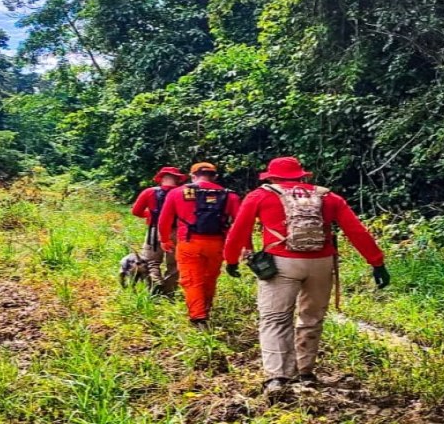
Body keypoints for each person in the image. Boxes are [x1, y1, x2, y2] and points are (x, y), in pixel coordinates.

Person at [223, 156, 389, 397]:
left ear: (271, 177)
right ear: (302, 175)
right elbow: (356, 231)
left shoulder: (260, 195)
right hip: (321, 264)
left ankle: (278, 378)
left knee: (275, 319)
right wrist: (377, 262)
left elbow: (239, 230)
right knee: (311, 318)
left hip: (281, 263)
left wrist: (230, 259)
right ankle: (305, 373)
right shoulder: (328, 197)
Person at [158, 162, 243, 328]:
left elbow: (164, 220)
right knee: (209, 278)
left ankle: (199, 317)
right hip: (217, 244)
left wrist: (164, 239)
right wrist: (243, 246)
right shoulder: (230, 196)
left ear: (192, 176)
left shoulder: (177, 193)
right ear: (215, 177)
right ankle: (206, 308)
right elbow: (239, 224)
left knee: (191, 280)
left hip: (189, 242)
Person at [131, 166, 187, 296]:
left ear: (161, 179)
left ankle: (155, 284)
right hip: (177, 232)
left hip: (154, 231)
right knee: (174, 264)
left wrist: (149, 215)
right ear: (178, 180)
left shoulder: (149, 192)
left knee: (150, 261)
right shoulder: (183, 193)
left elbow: (136, 211)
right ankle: (169, 292)